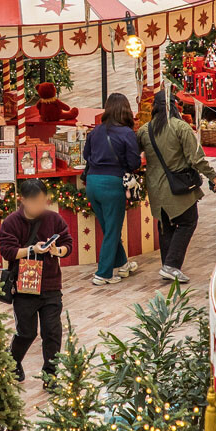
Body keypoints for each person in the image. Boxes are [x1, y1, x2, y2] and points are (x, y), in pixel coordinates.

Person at [136, 91, 216, 284]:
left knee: (165, 225)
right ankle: (171, 266)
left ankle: (168, 265)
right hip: (178, 187)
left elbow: (134, 156)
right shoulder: (181, 127)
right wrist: (212, 176)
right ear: (174, 106)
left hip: (155, 187)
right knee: (188, 221)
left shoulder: (144, 130)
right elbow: (196, 158)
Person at [0, 179, 73, 385]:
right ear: (23, 200)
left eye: (43, 201)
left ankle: (51, 374)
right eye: (36, 202)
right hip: (25, 288)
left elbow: (68, 243)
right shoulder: (11, 222)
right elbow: (7, 251)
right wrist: (32, 250)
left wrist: (57, 251)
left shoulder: (53, 219)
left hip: (50, 285)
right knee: (26, 332)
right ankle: (13, 361)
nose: (41, 205)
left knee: (52, 332)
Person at [84, 93, 142, 286]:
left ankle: (123, 263)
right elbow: (133, 162)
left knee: (109, 227)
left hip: (92, 182)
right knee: (112, 230)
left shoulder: (95, 132)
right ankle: (103, 273)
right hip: (113, 184)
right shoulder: (127, 133)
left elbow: (86, 155)